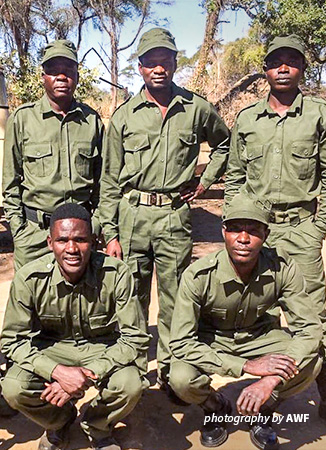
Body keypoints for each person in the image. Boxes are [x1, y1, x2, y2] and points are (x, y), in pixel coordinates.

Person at [99, 27, 230, 392]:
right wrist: (109, 231)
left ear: (175, 64)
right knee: (132, 295)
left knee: (176, 295)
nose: (159, 69)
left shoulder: (196, 108)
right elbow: (109, 179)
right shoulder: (124, 116)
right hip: (132, 214)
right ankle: (136, 366)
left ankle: (172, 368)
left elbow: (224, 145)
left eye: (166, 61)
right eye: (151, 63)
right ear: (139, 68)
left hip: (174, 214)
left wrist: (204, 184)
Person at [224, 34, 326, 418]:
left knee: (314, 315)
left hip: (301, 228)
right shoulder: (248, 119)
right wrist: (235, 226)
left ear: (303, 67)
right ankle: (263, 393)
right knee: (260, 312)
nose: (283, 68)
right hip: (257, 231)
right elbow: (235, 177)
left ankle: (324, 392)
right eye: (275, 61)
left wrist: (319, 228)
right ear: (265, 69)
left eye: (291, 61)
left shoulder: (319, 115)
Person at [169, 194, 322, 449]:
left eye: (253, 231)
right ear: (223, 231)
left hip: (260, 338)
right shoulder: (198, 276)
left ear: (266, 234)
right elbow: (181, 343)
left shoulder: (282, 268)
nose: (243, 238)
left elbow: (309, 330)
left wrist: (270, 381)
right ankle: (215, 407)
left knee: (311, 362)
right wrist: (246, 366)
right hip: (214, 340)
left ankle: (263, 408)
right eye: (235, 229)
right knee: (180, 377)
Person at [0, 203, 149, 450]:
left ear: (93, 241)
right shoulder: (29, 278)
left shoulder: (116, 274)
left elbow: (134, 338)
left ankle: (97, 425)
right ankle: (59, 421)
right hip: (52, 349)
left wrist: (87, 374)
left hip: (101, 349)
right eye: (62, 240)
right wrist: (57, 372)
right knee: (14, 388)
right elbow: (12, 341)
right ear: (50, 243)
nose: (71, 249)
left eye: (80, 240)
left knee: (131, 384)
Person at [2, 39, 103, 271]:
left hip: (79, 235)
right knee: (31, 303)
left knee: (81, 302)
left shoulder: (91, 121)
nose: (61, 77)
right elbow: (10, 183)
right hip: (35, 235)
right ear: (43, 76)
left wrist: (95, 225)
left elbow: (103, 183)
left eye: (68, 71)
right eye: (53, 71)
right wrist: (19, 231)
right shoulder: (22, 119)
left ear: (77, 76)